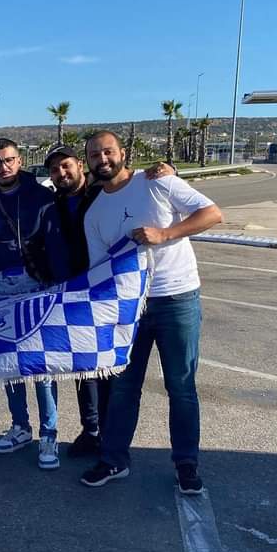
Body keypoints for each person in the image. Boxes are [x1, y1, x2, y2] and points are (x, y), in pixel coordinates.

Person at [77, 130, 222, 495]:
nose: (103, 159)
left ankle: (186, 463)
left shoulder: (158, 181)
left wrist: (167, 233)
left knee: (181, 386)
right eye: (95, 155)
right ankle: (114, 459)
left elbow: (212, 213)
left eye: (108, 151)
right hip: (131, 308)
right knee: (124, 387)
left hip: (177, 299)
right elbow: (100, 270)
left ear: (122, 153)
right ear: (89, 162)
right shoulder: (95, 213)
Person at [29, 145, 174, 461]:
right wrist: (45, 275)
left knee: (111, 369)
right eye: (54, 170)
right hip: (72, 298)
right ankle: (91, 430)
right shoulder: (50, 207)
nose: (61, 173)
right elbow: (36, 247)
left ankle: (111, 435)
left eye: (66, 166)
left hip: (108, 293)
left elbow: (134, 185)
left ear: (80, 165)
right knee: (84, 370)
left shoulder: (100, 194)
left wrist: (166, 170)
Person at [0, 138, 61, 465]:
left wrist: (56, 283)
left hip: (36, 283)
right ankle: (20, 426)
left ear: (19, 160)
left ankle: (49, 434)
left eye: (8, 160)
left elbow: (54, 240)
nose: (3, 167)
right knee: (10, 365)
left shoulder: (40, 196)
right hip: (0, 285)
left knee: (41, 365)